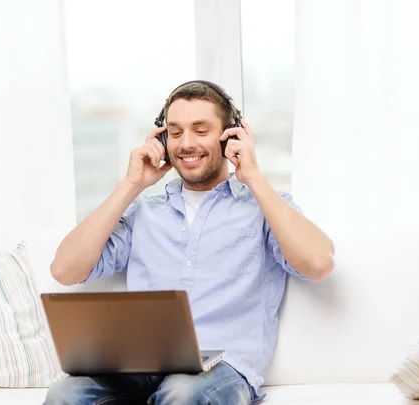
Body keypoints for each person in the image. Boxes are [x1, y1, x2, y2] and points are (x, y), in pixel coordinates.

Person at [44, 81, 335, 405]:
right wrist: (132, 183)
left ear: (230, 136)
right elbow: (64, 270)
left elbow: (318, 263)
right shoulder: (145, 212)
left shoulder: (264, 208)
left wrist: (252, 176)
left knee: (181, 393)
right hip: (142, 364)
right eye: (176, 132)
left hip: (222, 368)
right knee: (64, 394)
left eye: (200, 130)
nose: (186, 144)